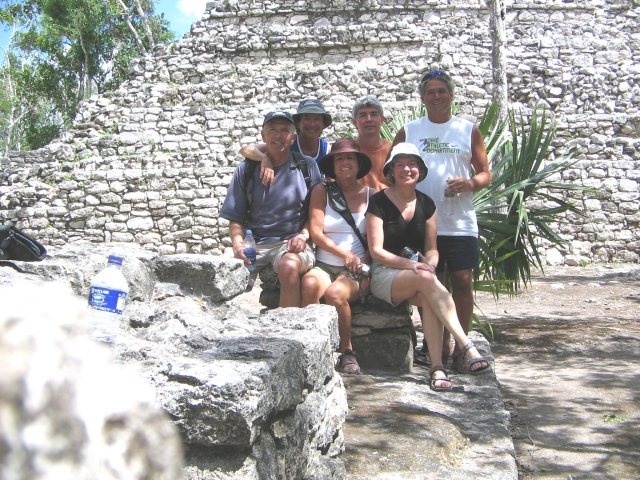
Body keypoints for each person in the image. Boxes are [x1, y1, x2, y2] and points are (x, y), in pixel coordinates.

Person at [366, 142, 491, 391]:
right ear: (391, 171)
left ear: (420, 170)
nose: (406, 169)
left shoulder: (427, 204)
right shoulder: (379, 202)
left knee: (429, 293)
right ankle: (466, 345)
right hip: (385, 274)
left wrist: (430, 265)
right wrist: (413, 266)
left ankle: (437, 368)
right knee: (427, 281)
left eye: (412, 164)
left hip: (417, 275)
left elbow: (432, 248)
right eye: (399, 164)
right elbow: (376, 252)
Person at [392, 71, 492, 373]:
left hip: (458, 220)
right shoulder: (409, 130)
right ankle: (437, 344)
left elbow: (486, 172)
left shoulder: (467, 129)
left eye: (442, 91)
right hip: (420, 222)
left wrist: (470, 184)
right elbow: (391, 168)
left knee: (462, 282)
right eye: (431, 92)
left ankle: (462, 348)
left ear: (451, 95)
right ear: (423, 98)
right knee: (430, 283)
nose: (436, 97)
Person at [220, 111, 322, 307]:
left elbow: (316, 214)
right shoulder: (247, 169)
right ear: (263, 135)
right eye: (272, 129)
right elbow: (236, 217)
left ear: (293, 138)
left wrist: (303, 236)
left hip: (290, 242)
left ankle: (288, 331)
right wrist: (238, 245)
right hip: (254, 243)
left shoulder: (306, 167)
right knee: (224, 278)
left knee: (289, 266)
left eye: (284, 130)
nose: (278, 135)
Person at [301, 139, 373, 374]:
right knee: (310, 283)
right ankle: (314, 348)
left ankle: (346, 350)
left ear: (358, 163)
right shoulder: (322, 191)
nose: (344, 162)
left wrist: (366, 267)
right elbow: (316, 232)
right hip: (325, 263)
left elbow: (376, 239)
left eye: (350, 157)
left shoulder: (372, 195)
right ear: (332, 164)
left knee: (334, 294)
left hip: (354, 270)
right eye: (339, 158)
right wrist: (344, 253)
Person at [239, 98, 331, 186]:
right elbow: (245, 150)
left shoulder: (327, 150)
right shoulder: (286, 143)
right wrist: (264, 158)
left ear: (323, 124)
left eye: (317, 119)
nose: (312, 124)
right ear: (298, 123)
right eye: (307, 119)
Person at [351, 95, 392, 191]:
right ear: (354, 122)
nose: (369, 119)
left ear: (382, 120)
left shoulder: (393, 149)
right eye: (363, 115)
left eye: (374, 114)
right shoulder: (346, 151)